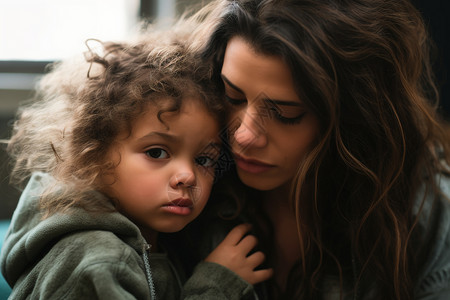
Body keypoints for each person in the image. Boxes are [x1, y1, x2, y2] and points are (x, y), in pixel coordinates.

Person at [183, 0, 450, 299]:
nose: (244, 136)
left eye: (286, 115)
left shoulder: (426, 209)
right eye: (233, 96)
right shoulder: (178, 185)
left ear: (353, 117)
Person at [0, 25, 272, 299]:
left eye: (203, 159)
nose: (188, 176)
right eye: (156, 153)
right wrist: (216, 286)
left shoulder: (156, 238)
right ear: (93, 155)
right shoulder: (96, 259)